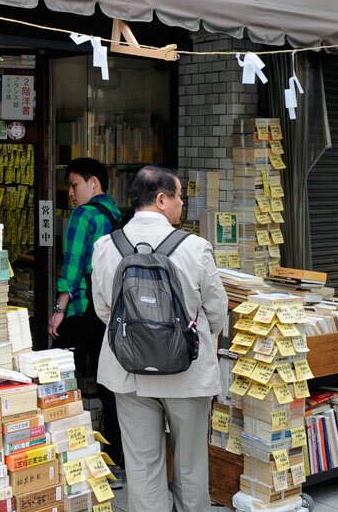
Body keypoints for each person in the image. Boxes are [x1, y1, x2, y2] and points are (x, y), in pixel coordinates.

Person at [91, 165, 227, 512]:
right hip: (187, 371)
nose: (182, 204)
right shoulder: (195, 248)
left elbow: (104, 311)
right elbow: (216, 313)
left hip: (128, 372)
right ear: (162, 198)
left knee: (142, 464)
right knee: (191, 462)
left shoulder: (107, 246)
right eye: (180, 197)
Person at [48, 157, 124, 487]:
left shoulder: (84, 214)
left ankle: (66, 448)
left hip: (82, 309)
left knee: (59, 374)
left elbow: (74, 264)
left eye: (74, 184)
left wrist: (59, 308)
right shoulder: (118, 216)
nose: (70, 192)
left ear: (94, 184)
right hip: (111, 312)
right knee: (108, 386)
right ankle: (118, 461)